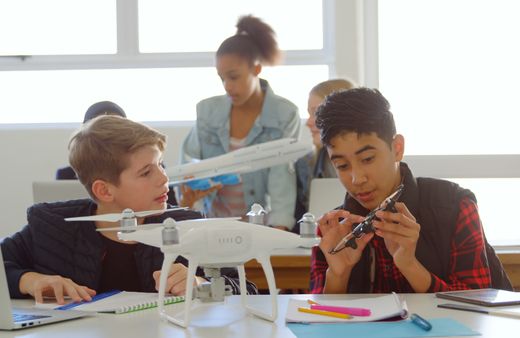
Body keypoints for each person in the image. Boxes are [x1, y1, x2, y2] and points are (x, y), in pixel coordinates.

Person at [1, 115, 256, 304]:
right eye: (146, 172)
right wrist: (29, 280)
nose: (163, 178)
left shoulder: (188, 226)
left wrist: (203, 284)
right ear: (104, 191)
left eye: (160, 165)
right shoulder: (52, 226)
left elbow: (249, 290)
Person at [309, 88, 511, 294]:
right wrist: (337, 276)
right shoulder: (335, 230)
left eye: (368, 159)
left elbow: (478, 304)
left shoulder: (455, 206)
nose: (357, 179)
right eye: (342, 166)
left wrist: (410, 266)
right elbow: (319, 321)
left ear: (397, 148)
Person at [181, 15, 299, 231]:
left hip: (260, 227)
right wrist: (190, 192)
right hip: (213, 226)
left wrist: (279, 229)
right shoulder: (207, 111)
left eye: (233, 77)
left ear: (256, 69)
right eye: (221, 78)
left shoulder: (284, 114)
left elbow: (282, 176)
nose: (226, 86)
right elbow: (188, 163)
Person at [294, 78, 355, 226]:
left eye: (317, 113)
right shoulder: (305, 164)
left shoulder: (372, 163)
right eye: (309, 113)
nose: (308, 122)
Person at [55, 101, 127, 180]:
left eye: (115, 127)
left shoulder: (135, 171)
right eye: (101, 128)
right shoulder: (66, 175)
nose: (108, 134)